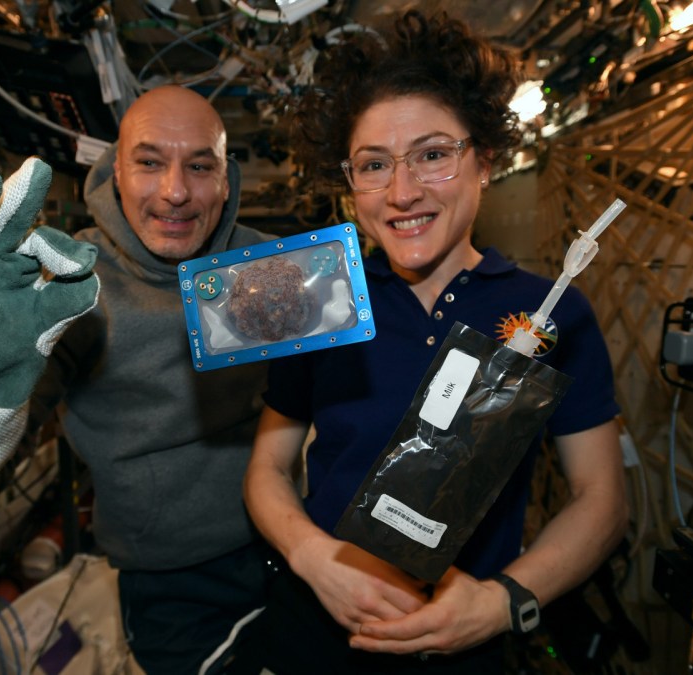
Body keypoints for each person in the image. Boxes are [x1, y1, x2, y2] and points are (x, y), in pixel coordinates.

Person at [233, 10, 628, 673]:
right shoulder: (318, 297)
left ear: (486, 159)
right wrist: (315, 558)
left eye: (434, 154)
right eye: (374, 164)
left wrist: (503, 602)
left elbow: (603, 500)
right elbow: (267, 469)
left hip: (464, 639)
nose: (403, 191)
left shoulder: (548, 311)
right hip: (316, 629)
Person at [0, 85, 273, 674]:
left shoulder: (271, 264)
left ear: (226, 180)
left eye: (200, 166)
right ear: (116, 173)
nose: (176, 191)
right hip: (170, 580)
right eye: (150, 162)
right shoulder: (67, 287)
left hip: (292, 535)